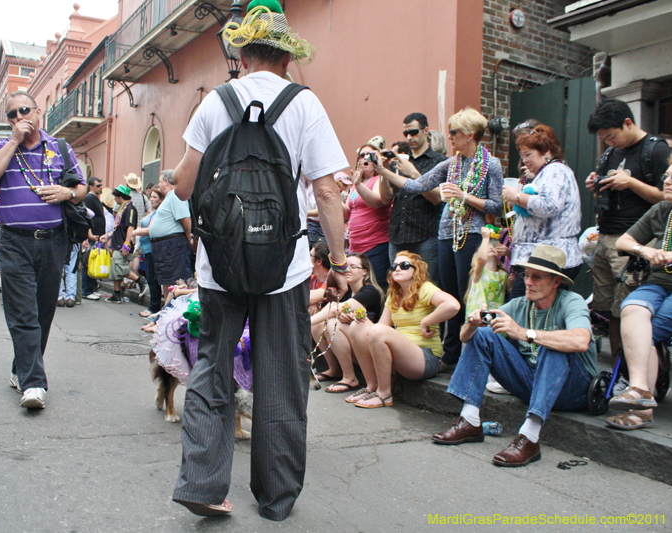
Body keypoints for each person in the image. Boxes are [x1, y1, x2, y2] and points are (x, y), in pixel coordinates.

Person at [169, 0, 348, 520]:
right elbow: (329, 191)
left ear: (242, 55)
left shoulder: (215, 103)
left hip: (219, 267)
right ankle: (275, 497)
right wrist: (337, 260)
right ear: (288, 60)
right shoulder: (305, 104)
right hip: (285, 267)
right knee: (282, 378)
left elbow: (182, 186)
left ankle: (202, 481)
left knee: (212, 367)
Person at [431, 245, 596, 467]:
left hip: (573, 390)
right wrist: (472, 324)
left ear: (556, 282)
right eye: (526, 276)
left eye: (537, 277)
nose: (528, 282)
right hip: (533, 383)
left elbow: (581, 340)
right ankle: (469, 420)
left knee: (552, 343)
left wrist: (523, 333)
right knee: (483, 334)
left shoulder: (571, 301)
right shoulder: (519, 304)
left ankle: (529, 436)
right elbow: (464, 337)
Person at [0, 91, 86, 410]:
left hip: (53, 240)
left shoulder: (60, 147)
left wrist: (66, 192)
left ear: (39, 112)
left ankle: (21, 368)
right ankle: (34, 383)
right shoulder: (1, 147)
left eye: (24, 110)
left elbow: (81, 187)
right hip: (14, 240)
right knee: (22, 311)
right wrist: (12, 140)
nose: (18, 117)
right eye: (11, 114)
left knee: (42, 312)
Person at [390, 107, 504, 373]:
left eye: (454, 132)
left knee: (471, 298)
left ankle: (472, 356)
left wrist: (464, 197)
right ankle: (450, 356)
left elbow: (497, 206)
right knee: (450, 296)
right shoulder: (451, 164)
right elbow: (418, 186)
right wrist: (385, 172)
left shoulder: (492, 165)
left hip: (472, 233)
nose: (450, 137)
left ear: (470, 134)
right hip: (446, 234)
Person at [585, 98, 671, 362]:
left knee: (627, 309)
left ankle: (635, 371)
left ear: (628, 123)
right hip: (607, 236)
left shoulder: (655, 150)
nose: (609, 143)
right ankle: (618, 370)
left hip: (635, 241)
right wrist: (596, 183)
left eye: (611, 136)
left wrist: (630, 182)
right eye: (604, 140)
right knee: (609, 311)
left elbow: (665, 197)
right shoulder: (610, 154)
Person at [605, 158, 672, 430]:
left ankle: (641, 410)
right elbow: (624, 241)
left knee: (650, 330)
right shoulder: (662, 210)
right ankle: (640, 390)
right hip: (657, 283)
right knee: (631, 308)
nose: (666, 181)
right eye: (666, 176)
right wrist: (644, 251)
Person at [347, 251, 459, 407]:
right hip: (402, 358)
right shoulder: (394, 293)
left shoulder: (425, 288)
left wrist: (427, 321)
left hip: (425, 358)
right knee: (357, 326)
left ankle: (384, 394)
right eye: (394, 266)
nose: (398, 269)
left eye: (404, 265)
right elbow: (382, 326)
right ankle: (371, 386)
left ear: (415, 270)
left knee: (377, 330)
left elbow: (453, 305)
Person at [503, 124, 583, 299]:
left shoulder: (555, 171)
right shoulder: (547, 172)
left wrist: (517, 196)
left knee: (522, 312)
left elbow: (549, 205)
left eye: (528, 154)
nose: (524, 160)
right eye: (522, 156)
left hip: (548, 260)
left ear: (546, 152)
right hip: (539, 259)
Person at [378, 112, 446, 279]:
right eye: (405, 134)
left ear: (426, 131)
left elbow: (437, 198)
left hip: (425, 235)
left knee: (427, 287)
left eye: (414, 132)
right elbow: (386, 198)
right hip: (397, 234)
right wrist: (384, 172)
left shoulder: (439, 161)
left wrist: (414, 174)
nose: (409, 137)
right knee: (398, 287)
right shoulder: (400, 160)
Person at [310, 253, 384, 392]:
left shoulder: (370, 291)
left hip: (368, 349)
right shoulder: (347, 290)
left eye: (353, 267)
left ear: (365, 271)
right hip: (353, 345)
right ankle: (334, 369)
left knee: (331, 323)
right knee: (318, 325)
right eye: (345, 267)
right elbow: (330, 307)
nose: (348, 270)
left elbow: (334, 309)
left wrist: (303, 324)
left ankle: (350, 378)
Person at [345, 143, 391, 287]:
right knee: (359, 288)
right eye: (361, 155)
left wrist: (358, 185)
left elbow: (377, 202)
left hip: (374, 244)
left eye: (369, 155)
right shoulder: (355, 183)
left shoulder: (377, 180)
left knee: (377, 287)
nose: (364, 158)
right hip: (356, 246)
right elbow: (348, 213)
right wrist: (331, 194)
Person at [149, 170, 192, 308]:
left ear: (166, 182)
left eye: (160, 181)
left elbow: (185, 218)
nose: (159, 184)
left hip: (172, 245)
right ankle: (164, 313)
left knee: (173, 280)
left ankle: (169, 313)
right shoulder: (169, 197)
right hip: (164, 245)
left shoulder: (175, 196)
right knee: (166, 280)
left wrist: (188, 236)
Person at [100, 184, 138, 303]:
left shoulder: (130, 209)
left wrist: (126, 244)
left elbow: (130, 228)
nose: (114, 199)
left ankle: (140, 280)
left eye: (115, 197)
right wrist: (107, 236)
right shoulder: (122, 208)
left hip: (122, 244)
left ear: (119, 197)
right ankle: (116, 294)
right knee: (115, 271)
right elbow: (118, 228)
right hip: (117, 243)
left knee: (121, 268)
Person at [132, 186, 164, 315]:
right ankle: (153, 306)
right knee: (151, 278)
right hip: (147, 250)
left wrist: (134, 232)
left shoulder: (158, 213)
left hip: (152, 249)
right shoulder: (153, 212)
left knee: (153, 279)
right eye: (150, 197)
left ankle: (154, 307)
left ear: (161, 199)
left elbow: (149, 229)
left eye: (154, 197)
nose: (151, 199)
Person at [82, 177, 105, 300]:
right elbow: (86, 216)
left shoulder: (95, 198)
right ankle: (86, 290)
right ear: (91, 187)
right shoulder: (89, 198)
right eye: (97, 185)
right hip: (93, 236)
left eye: (101, 185)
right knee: (88, 262)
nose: (100, 187)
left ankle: (90, 288)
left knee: (93, 263)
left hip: (97, 236)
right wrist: (89, 234)